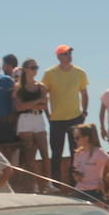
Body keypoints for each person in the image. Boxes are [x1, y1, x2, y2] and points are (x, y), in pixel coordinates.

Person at [42, 44, 88, 181]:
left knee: (76, 153)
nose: (69, 56)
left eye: (69, 53)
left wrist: (84, 112)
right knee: (56, 153)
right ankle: (56, 184)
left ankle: (75, 184)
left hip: (75, 118)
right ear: (58, 56)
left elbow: (84, 93)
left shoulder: (80, 72)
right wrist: (47, 114)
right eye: (65, 54)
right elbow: (44, 95)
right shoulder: (49, 73)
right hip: (56, 120)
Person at [12, 58, 50, 192]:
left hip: (38, 118)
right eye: (32, 67)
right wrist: (38, 100)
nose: (35, 70)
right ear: (25, 69)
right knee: (29, 155)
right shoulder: (18, 86)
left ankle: (48, 183)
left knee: (45, 153)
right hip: (25, 119)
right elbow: (19, 107)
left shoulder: (41, 86)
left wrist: (33, 103)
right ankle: (38, 184)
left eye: (36, 67)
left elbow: (44, 105)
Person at [70, 124, 109, 204]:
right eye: (74, 137)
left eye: (77, 137)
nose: (75, 140)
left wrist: (105, 181)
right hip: (79, 191)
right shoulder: (78, 154)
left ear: (87, 138)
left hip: (95, 192)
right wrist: (77, 175)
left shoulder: (99, 152)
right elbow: (76, 173)